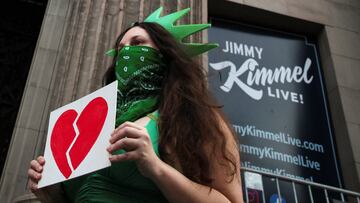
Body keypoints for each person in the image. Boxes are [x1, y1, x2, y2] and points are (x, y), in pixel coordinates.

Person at [28, 7, 244, 203]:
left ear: (164, 53)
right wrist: (51, 193)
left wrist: (155, 167)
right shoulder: (97, 121)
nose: (125, 53)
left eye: (138, 43)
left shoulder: (192, 117)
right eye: (120, 49)